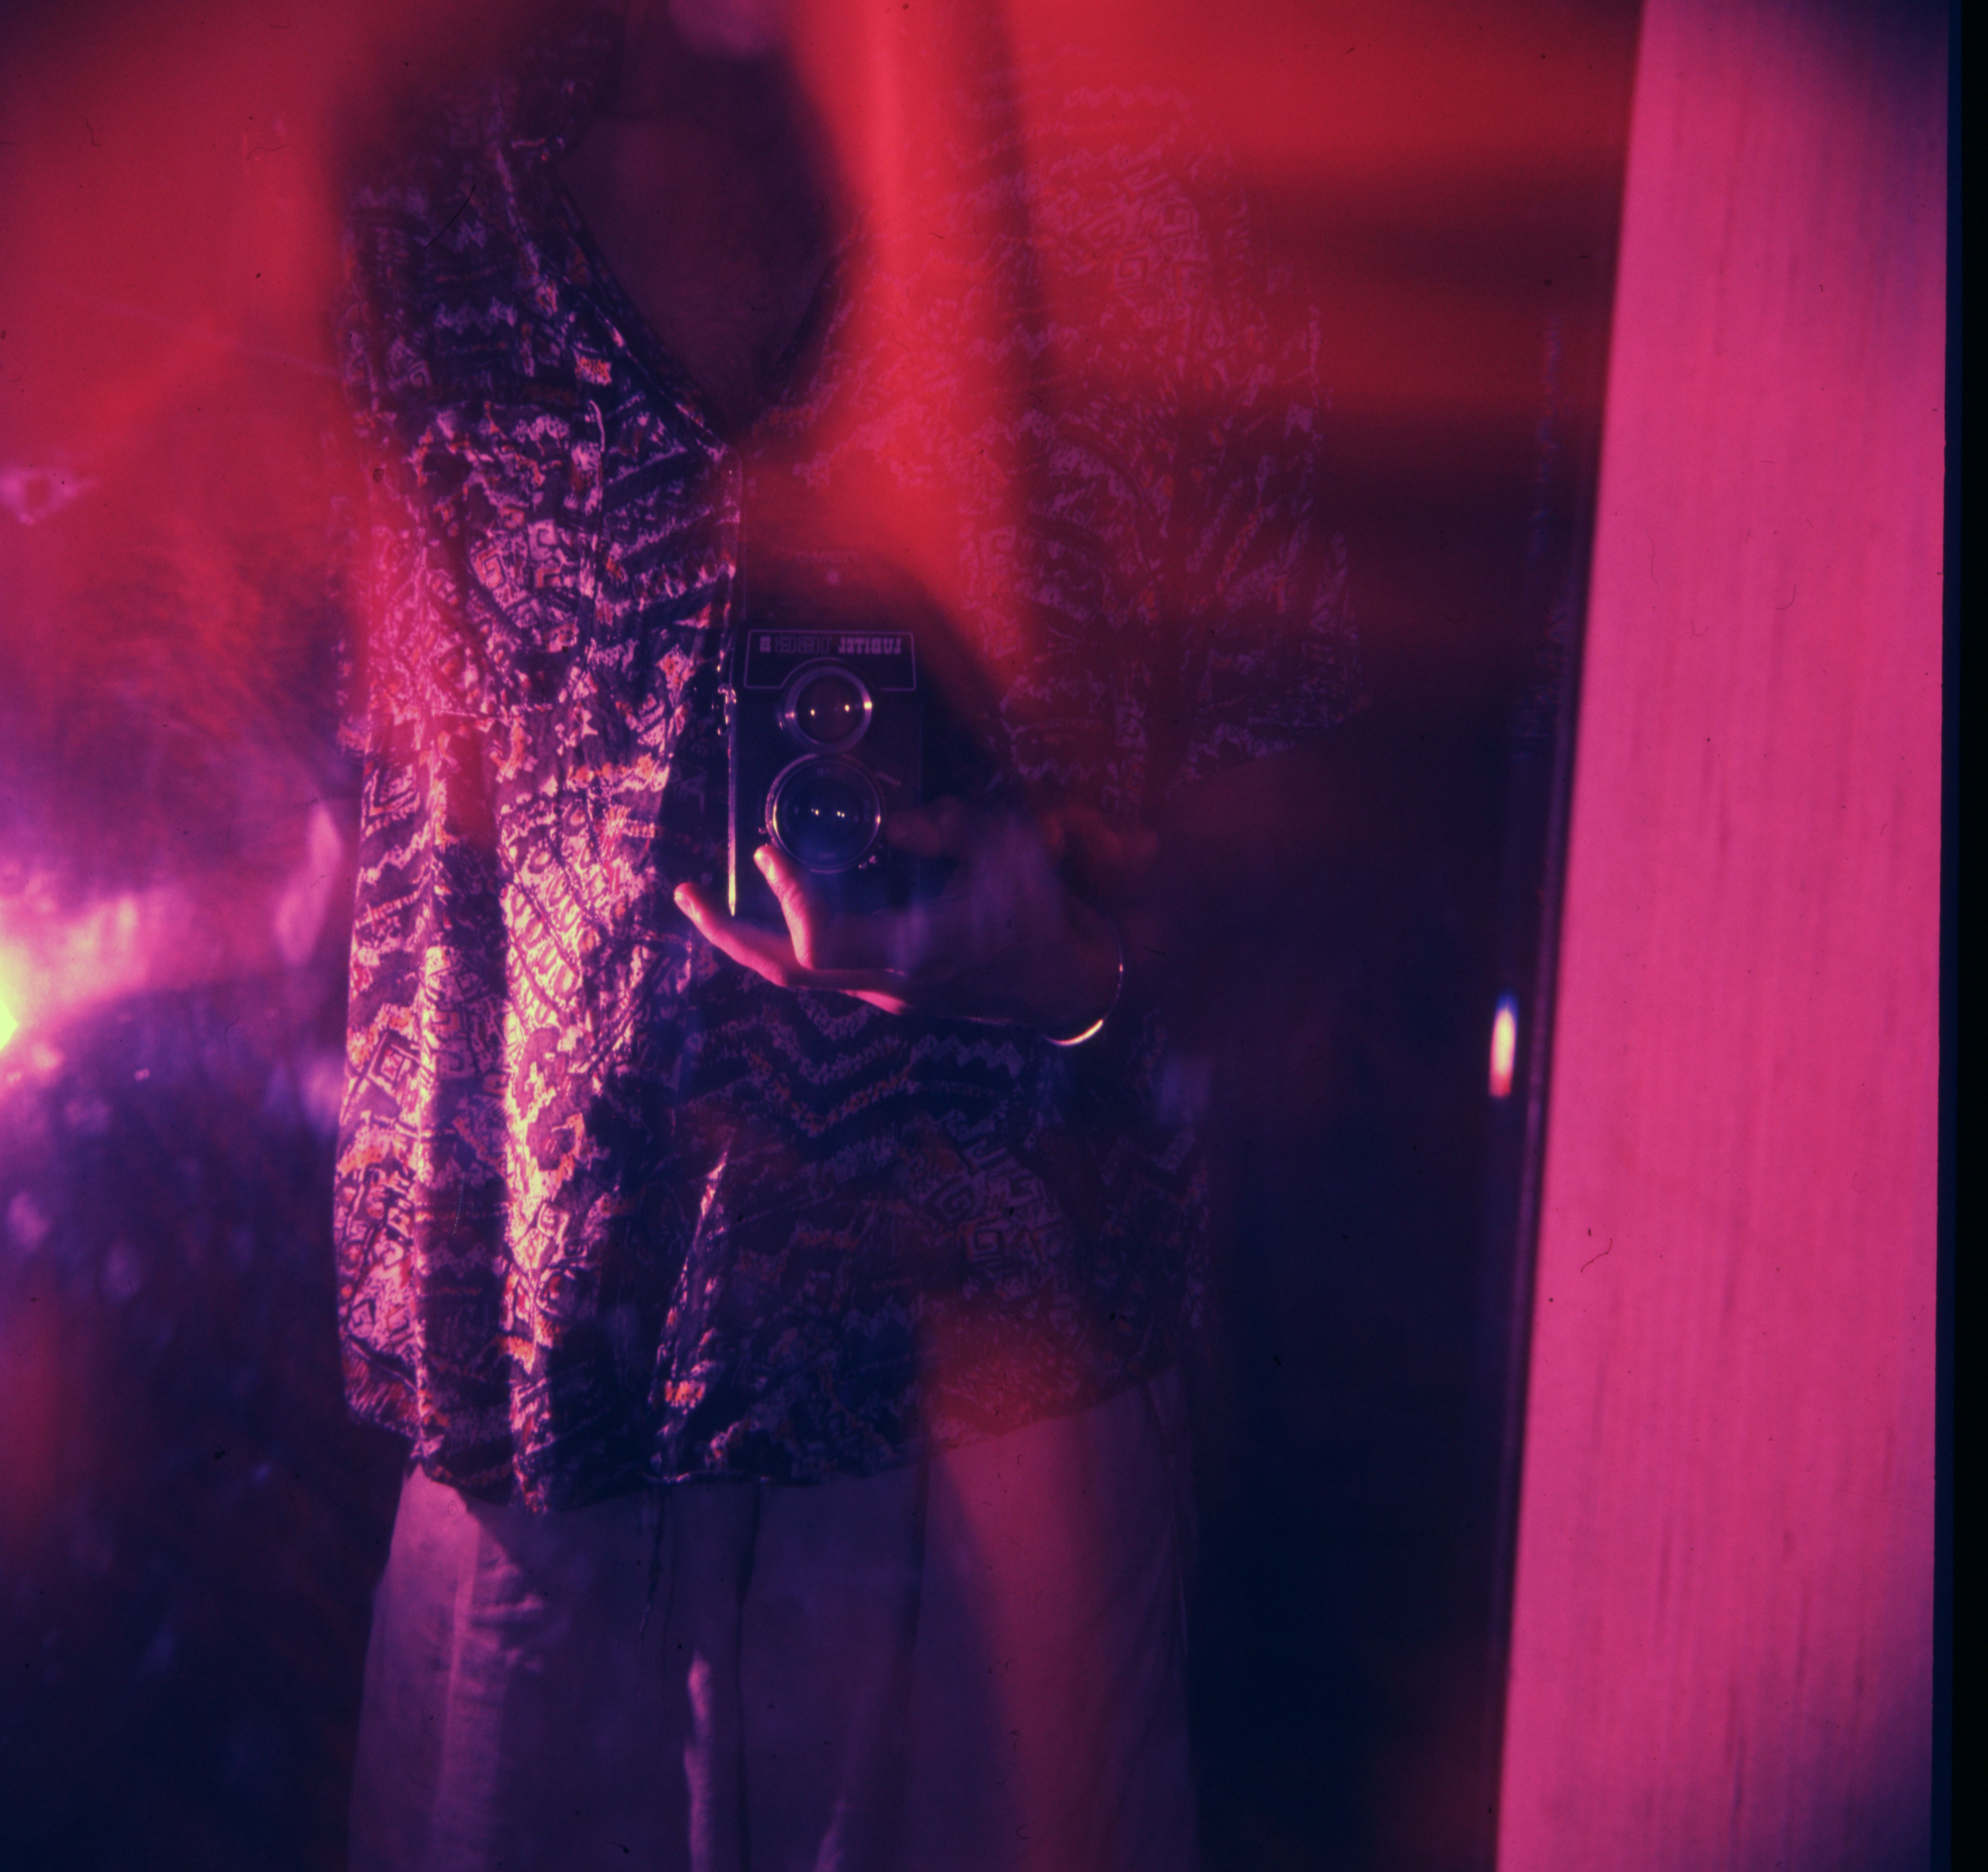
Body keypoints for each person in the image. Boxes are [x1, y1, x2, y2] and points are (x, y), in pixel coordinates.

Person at [333, 3, 1357, 1867]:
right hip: (536, 1413)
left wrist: (1071, 974)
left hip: (997, 1407)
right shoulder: (427, 189)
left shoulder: (1154, 226)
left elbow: (1310, 874)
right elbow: (340, 764)